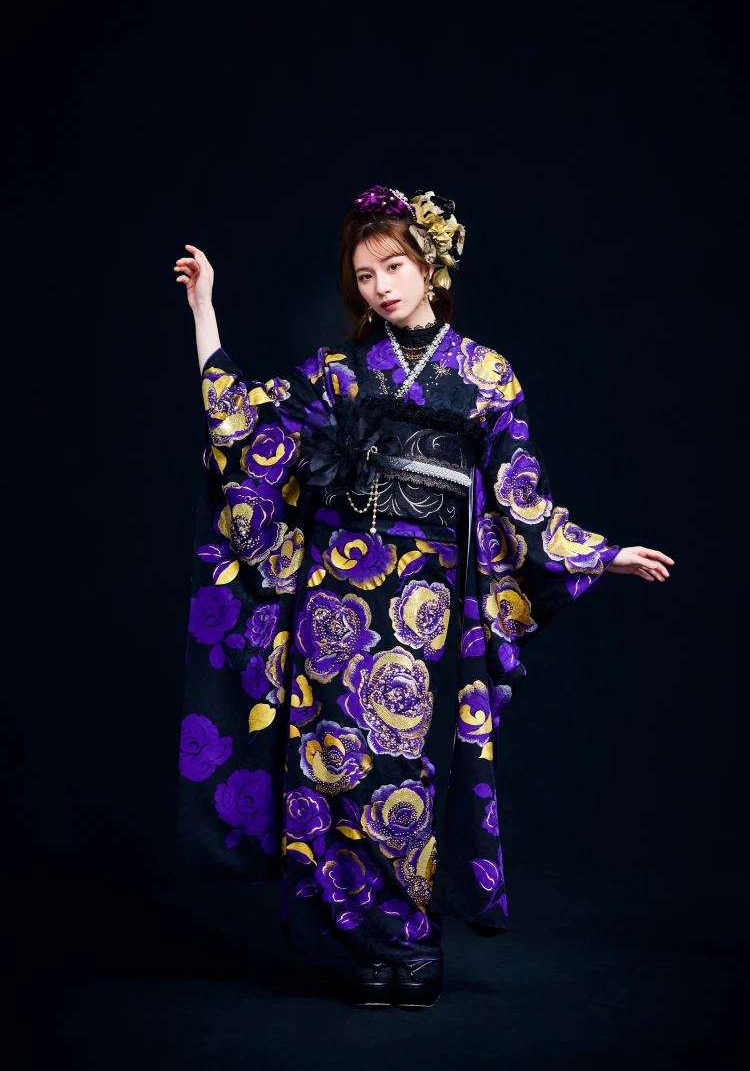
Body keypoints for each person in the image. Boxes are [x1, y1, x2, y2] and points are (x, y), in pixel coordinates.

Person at [174, 185, 674, 1010]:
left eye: (395, 267)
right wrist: (206, 312)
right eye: (365, 275)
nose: (380, 287)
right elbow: (243, 431)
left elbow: (519, 496)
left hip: (418, 595)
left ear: (431, 266)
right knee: (328, 761)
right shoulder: (338, 372)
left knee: (396, 762)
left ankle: (411, 941)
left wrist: (602, 554)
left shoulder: (485, 374)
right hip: (332, 591)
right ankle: (370, 946)